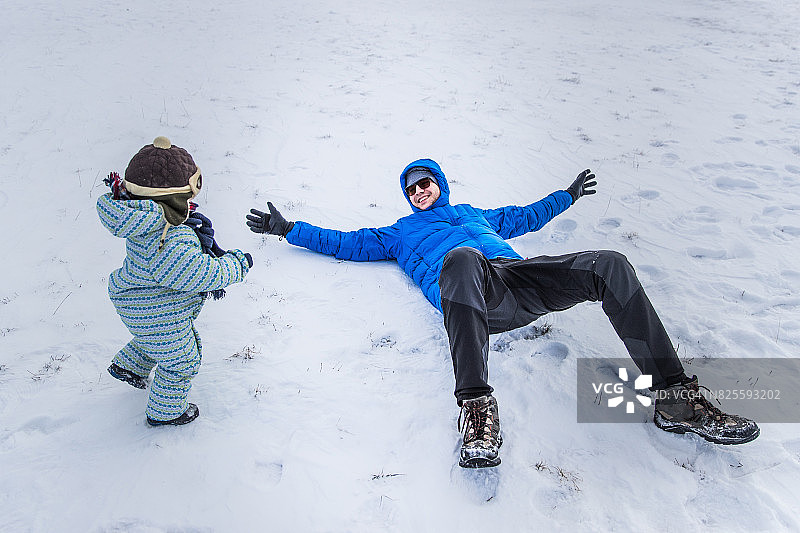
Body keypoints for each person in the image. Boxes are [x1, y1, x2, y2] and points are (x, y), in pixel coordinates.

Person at [246, 158, 759, 467]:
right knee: (462, 258)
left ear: (440, 185)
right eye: (411, 188)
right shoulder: (399, 233)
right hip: (475, 299)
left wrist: (567, 195)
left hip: (521, 282)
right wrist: (288, 228)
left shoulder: (474, 213)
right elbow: (347, 243)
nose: (419, 191)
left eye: (426, 183)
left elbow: (523, 215)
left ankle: (675, 398)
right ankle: (476, 409)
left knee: (610, 263)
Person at [98, 136, 253, 426]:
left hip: (139, 300)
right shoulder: (170, 235)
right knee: (182, 360)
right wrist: (235, 265)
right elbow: (197, 274)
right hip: (157, 308)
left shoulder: (144, 219)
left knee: (158, 341)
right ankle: (165, 413)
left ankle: (128, 366)